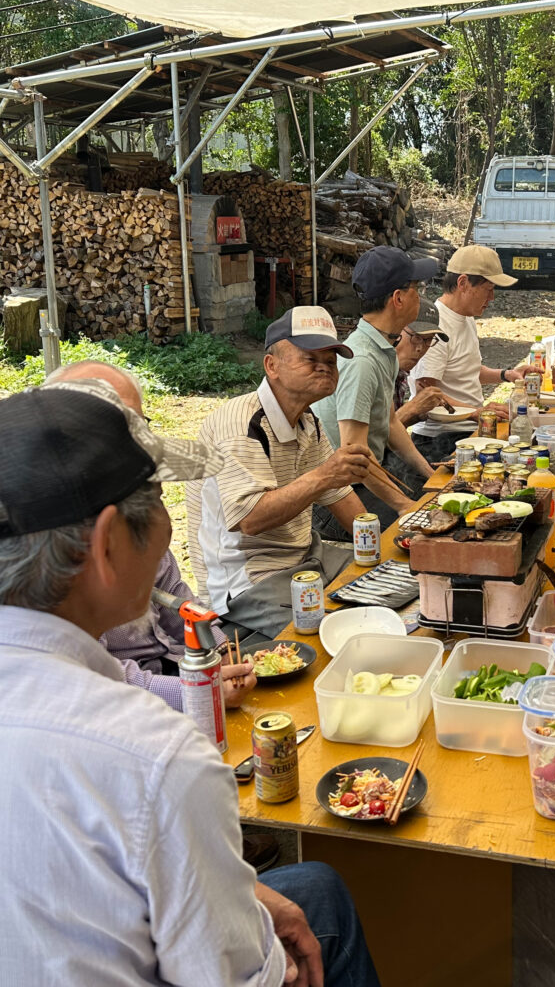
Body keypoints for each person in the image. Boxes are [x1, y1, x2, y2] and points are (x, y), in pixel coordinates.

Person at [0, 384, 379, 985]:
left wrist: (242, 890)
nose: (170, 525)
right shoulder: (159, 757)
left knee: (313, 885)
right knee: (318, 911)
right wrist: (271, 957)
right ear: (107, 544)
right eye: (157, 499)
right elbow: (237, 976)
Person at [43, 360, 256, 710]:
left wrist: (219, 649)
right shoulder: (55, 542)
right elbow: (97, 677)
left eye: (138, 425)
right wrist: (197, 690)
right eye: (113, 427)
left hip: (167, 669)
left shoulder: (129, 500)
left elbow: (174, 594)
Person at [185, 305, 372, 639]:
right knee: (338, 632)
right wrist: (325, 475)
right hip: (249, 580)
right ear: (271, 366)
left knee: (382, 589)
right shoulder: (240, 425)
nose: (324, 367)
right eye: (310, 358)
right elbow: (251, 519)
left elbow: (341, 498)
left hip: (306, 557)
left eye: (330, 361)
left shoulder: (307, 420)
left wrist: (377, 544)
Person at [311, 246, 439, 532]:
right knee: (422, 528)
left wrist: (431, 474)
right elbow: (353, 455)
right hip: (336, 498)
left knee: (431, 497)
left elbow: (390, 423)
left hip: (362, 477)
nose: (420, 297)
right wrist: (404, 506)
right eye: (417, 289)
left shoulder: (384, 349)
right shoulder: (363, 361)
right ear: (398, 298)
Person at [409, 245, 542, 462]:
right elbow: (426, 392)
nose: (492, 297)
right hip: (439, 439)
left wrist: (507, 374)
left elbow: (468, 370)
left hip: (467, 429)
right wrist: (476, 412)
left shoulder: (466, 317)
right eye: (488, 289)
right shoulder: (436, 323)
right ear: (463, 283)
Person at [393, 301, 453, 427]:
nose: (420, 348)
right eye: (416, 337)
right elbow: (368, 435)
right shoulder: (368, 367)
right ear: (395, 329)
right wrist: (413, 407)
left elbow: (390, 431)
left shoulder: (399, 373)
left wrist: (420, 413)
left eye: (429, 339)